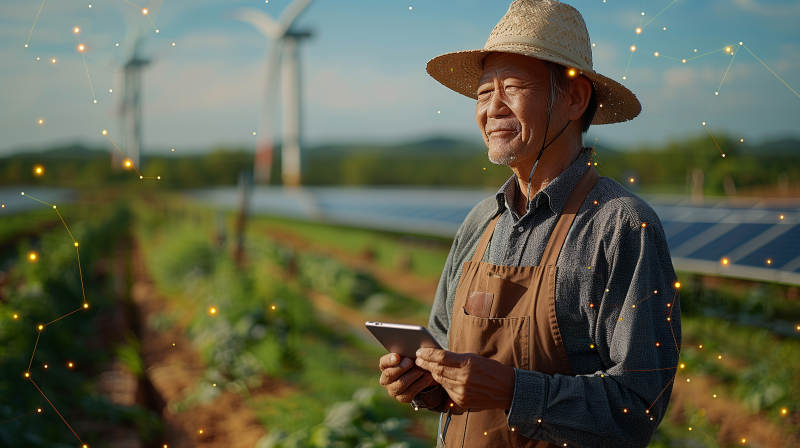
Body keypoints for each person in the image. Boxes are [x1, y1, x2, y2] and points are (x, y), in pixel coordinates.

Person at [377, 1, 681, 447]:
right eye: (483, 94)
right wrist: (424, 381)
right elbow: (443, 350)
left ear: (575, 99)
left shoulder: (620, 227)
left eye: (512, 87)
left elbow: (638, 406)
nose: (492, 108)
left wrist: (512, 391)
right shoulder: (481, 221)